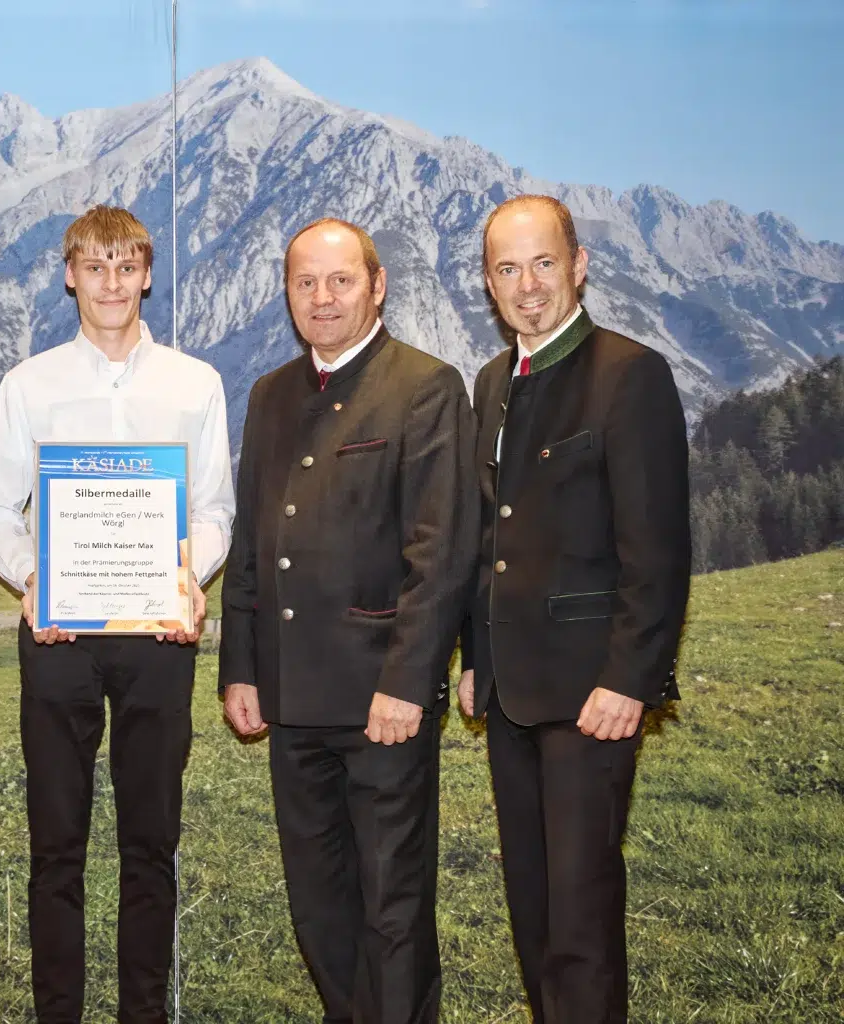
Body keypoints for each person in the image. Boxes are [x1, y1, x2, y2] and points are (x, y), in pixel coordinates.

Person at [0, 205, 234, 1023]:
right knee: (57, 848)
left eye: (126, 267)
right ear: (71, 276)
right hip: (57, 636)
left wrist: (193, 584)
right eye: (95, 267)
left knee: (149, 846)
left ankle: (143, 1015)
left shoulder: (197, 383)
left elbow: (214, 510)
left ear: (147, 275)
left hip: (158, 634)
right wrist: (30, 580)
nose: (111, 283)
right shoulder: (30, 383)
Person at [219, 218, 478, 1024]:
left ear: (378, 284)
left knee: (391, 905)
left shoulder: (427, 386)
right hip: (291, 694)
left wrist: (409, 682)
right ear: (288, 294)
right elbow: (253, 540)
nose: (322, 298)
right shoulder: (269, 394)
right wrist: (241, 665)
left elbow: (441, 551)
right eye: (305, 283)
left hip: (381, 704)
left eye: (339, 281)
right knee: (318, 900)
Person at [458, 195, 690, 1024]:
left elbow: (657, 552)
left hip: (594, 695)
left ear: (579, 264)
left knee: (582, 918)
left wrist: (630, 679)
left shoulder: (631, 374)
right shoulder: (491, 384)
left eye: (543, 263)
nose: (527, 287)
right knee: (534, 910)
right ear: (489, 284)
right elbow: (489, 535)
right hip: (511, 691)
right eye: (508, 269)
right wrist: (474, 659)